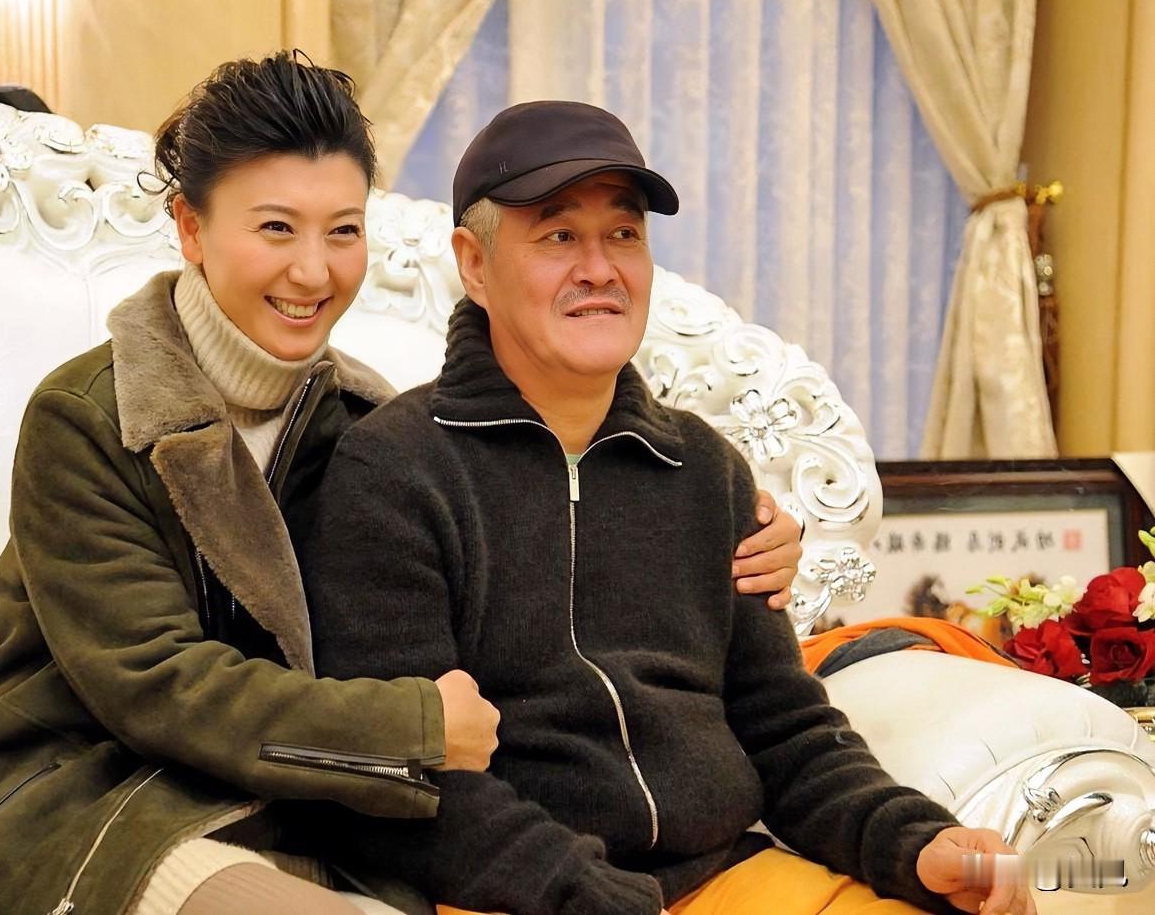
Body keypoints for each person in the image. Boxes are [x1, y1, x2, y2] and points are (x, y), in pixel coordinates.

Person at [0, 56, 801, 915]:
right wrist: (412, 728)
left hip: (287, 800)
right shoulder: (90, 415)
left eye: (342, 230)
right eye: (274, 228)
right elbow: (154, 682)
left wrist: (748, 535)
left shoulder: (361, 425)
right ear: (190, 228)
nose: (313, 270)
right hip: (85, 794)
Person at [305, 101, 1037, 915]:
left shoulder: (703, 468)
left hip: (723, 874)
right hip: (515, 891)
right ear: (474, 265)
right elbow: (409, 775)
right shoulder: (395, 468)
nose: (599, 268)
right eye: (558, 235)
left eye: (623, 234)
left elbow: (785, 729)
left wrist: (916, 841)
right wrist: (589, 894)